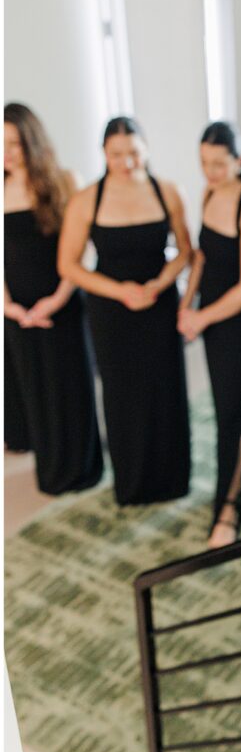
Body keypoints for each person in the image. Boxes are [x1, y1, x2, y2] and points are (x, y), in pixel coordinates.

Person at [58, 116, 192, 505]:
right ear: (104, 154)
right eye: (117, 155)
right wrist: (120, 291)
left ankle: (173, 479)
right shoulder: (86, 200)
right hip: (111, 313)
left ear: (145, 149)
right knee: (122, 395)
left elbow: (185, 250)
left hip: (158, 304)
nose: (127, 162)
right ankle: (133, 483)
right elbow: (68, 266)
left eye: (134, 153)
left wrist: (157, 284)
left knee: (165, 390)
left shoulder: (168, 192)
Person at [177, 121, 241, 548]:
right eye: (204, 164)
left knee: (227, 414)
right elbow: (202, 257)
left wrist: (202, 319)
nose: (211, 172)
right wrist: (187, 302)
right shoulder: (209, 193)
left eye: (219, 164)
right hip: (213, 317)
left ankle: (227, 507)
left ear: (238, 160)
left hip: (239, 323)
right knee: (240, 399)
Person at [4, 103, 103, 492]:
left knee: (71, 386)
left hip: (62, 301)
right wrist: (8, 306)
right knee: (35, 388)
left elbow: (82, 252)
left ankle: (82, 466)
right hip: (16, 310)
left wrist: (58, 298)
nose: (7, 152)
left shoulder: (65, 181)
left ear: (33, 141)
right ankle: (51, 465)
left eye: (14, 143)